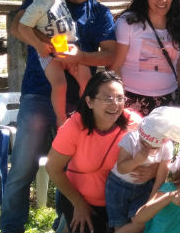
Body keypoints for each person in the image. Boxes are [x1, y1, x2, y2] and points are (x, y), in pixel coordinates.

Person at [3, 0, 117, 233]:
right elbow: (18, 27)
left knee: (72, 169)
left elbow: (110, 54)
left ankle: (63, 226)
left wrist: (81, 56)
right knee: (22, 168)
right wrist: (48, 46)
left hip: (81, 103)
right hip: (38, 93)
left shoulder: (99, 13)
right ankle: (10, 227)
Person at [45, 71, 142, 233]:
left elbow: (159, 154)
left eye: (120, 98)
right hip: (82, 200)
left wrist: (150, 170)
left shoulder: (134, 123)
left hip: (123, 201)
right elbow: (52, 168)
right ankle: (66, 221)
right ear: (89, 102)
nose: (115, 104)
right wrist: (78, 204)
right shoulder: (74, 126)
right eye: (107, 98)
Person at [17, 0, 89, 127]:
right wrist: (38, 44)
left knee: (86, 79)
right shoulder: (36, 6)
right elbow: (22, 27)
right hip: (49, 53)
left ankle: (84, 112)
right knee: (59, 85)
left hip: (69, 47)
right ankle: (60, 118)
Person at [111, 0, 180, 116]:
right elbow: (116, 66)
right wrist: (118, 101)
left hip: (169, 101)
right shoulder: (129, 22)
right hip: (132, 100)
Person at [105, 106, 180, 231]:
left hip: (143, 188)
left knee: (140, 221)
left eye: (151, 146)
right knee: (119, 222)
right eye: (143, 141)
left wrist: (150, 204)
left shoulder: (166, 146)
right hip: (118, 186)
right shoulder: (131, 139)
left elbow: (160, 179)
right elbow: (121, 168)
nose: (144, 146)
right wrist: (136, 161)